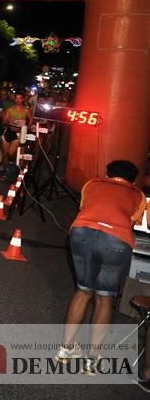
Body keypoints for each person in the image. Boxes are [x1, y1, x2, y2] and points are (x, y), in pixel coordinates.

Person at [55, 160, 148, 374]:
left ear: (107, 174)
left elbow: (86, 208)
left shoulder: (91, 184)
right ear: (134, 179)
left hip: (81, 232)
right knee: (105, 296)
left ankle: (66, 350)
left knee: (84, 290)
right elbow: (133, 223)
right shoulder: (138, 195)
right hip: (116, 240)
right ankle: (92, 360)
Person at [0, 90, 32, 174]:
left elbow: (31, 119)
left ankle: (12, 165)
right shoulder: (10, 109)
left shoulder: (26, 110)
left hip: (18, 134)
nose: (18, 100)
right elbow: (4, 122)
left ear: (23, 99)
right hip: (9, 132)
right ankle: (6, 171)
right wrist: (9, 120)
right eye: (16, 98)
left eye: (20, 98)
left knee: (10, 153)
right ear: (14, 99)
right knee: (5, 154)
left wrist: (26, 128)